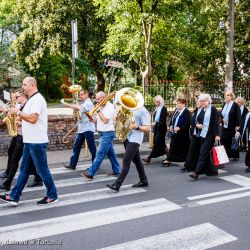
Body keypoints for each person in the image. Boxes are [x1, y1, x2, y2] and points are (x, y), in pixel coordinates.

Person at [0, 77, 58, 206]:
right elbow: (28, 119)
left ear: (32, 85)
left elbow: (33, 119)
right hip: (29, 140)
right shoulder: (32, 99)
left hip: (36, 141)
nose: (23, 87)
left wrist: (19, 112)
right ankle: (14, 196)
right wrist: (17, 116)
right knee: (24, 169)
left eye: (24, 84)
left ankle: (52, 195)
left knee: (42, 170)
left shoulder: (37, 99)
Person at [0, 90, 42, 191]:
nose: (15, 99)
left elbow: (31, 120)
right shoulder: (21, 106)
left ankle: (8, 183)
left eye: (17, 97)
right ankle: (38, 178)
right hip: (18, 134)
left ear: (23, 96)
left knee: (15, 159)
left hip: (24, 135)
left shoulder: (27, 106)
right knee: (26, 159)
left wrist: (17, 120)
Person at [107, 106, 150, 191]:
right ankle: (144, 180)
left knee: (126, 160)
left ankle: (117, 184)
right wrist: (117, 118)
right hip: (127, 136)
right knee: (137, 160)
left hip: (136, 138)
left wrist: (136, 127)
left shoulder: (142, 110)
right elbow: (124, 121)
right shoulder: (127, 107)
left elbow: (147, 128)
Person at [81, 91, 120, 180]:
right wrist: (91, 119)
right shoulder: (101, 107)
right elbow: (97, 120)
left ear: (103, 98)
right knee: (111, 154)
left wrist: (98, 110)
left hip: (107, 133)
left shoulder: (110, 107)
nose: (97, 101)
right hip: (102, 133)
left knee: (100, 154)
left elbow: (105, 120)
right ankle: (117, 169)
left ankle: (90, 173)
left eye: (98, 99)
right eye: (96, 99)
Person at [63, 89, 97, 170]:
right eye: (80, 94)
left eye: (81, 94)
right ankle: (72, 164)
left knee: (92, 148)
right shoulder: (85, 103)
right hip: (82, 128)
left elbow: (79, 107)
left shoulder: (88, 103)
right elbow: (80, 115)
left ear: (86, 94)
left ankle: (95, 165)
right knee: (76, 146)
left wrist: (68, 105)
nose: (80, 96)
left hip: (88, 128)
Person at [190, 94, 220, 180]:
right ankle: (212, 170)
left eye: (204, 101)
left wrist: (217, 135)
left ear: (208, 101)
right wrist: (197, 125)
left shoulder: (213, 109)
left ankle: (197, 172)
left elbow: (216, 122)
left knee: (203, 153)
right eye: (201, 101)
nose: (202, 102)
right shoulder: (202, 110)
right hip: (202, 135)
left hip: (210, 135)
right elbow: (196, 120)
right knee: (205, 153)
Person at [162, 97, 191, 166]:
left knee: (181, 147)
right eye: (178, 103)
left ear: (184, 104)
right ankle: (169, 159)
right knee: (173, 145)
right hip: (175, 132)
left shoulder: (186, 112)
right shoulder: (176, 110)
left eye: (180, 103)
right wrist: (171, 125)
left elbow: (187, 123)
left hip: (183, 134)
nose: (178, 104)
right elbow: (172, 119)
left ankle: (170, 159)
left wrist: (180, 128)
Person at [182, 97, 204, 172]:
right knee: (192, 149)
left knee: (199, 151)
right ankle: (188, 166)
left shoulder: (204, 111)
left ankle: (196, 167)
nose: (197, 103)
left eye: (199, 101)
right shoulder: (196, 110)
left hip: (201, 134)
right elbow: (192, 120)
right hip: (195, 133)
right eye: (197, 101)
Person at [143, 95, 167, 163]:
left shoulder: (163, 108)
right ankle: (169, 157)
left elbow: (162, 120)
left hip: (161, 129)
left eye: (157, 101)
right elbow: (155, 117)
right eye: (155, 101)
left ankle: (149, 157)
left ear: (160, 101)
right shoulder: (157, 108)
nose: (155, 103)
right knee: (162, 144)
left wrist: (155, 123)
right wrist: (154, 123)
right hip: (157, 128)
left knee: (157, 143)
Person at [221, 91, 242, 160]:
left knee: (233, 140)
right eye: (226, 95)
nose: (227, 97)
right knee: (223, 140)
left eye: (229, 96)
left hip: (233, 126)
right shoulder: (224, 104)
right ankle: (226, 154)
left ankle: (235, 155)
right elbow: (222, 114)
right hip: (225, 126)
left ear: (231, 97)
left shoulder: (235, 105)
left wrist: (238, 125)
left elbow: (239, 115)